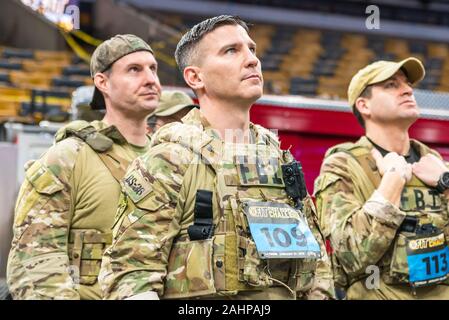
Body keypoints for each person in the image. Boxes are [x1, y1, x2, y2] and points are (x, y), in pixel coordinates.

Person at [99, 15, 335, 300]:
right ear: (195, 77)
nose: (251, 60)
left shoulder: (279, 159)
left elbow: (317, 263)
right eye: (231, 51)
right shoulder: (171, 159)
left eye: (252, 49)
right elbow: (131, 275)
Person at [7, 34, 161, 299]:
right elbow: (35, 261)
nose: (150, 79)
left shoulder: (169, 158)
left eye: (153, 69)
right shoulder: (68, 158)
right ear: (103, 82)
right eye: (134, 70)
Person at [314, 57, 449, 299]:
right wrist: (391, 184)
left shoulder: (436, 164)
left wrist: (446, 182)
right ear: (364, 105)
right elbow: (350, 256)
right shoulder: (344, 164)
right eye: (391, 85)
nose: (407, 90)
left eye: (407, 84)